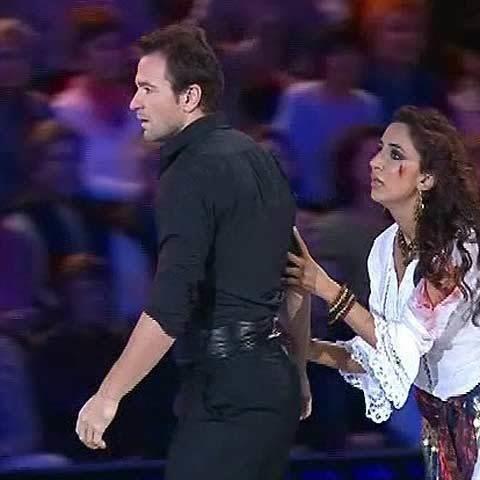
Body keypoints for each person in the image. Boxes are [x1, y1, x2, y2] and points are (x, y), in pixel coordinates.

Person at [74, 24, 310, 480]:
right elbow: (298, 275)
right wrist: (297, 371)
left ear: (189, 97)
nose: (134, 102)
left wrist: (108, 395)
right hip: (270, 385)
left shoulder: (190, 171)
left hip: (226, 391)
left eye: (147, 89)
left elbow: (171, 303)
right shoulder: (260, 157)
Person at [285, 106, 480, 479]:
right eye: (380, 150)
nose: (375, 162)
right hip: (437, 434)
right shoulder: (384, 248)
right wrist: (305, 348)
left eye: (395, 154)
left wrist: (326, 287)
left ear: (426, 178)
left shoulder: (456, 247)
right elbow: (383, 358)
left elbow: (403, 344)